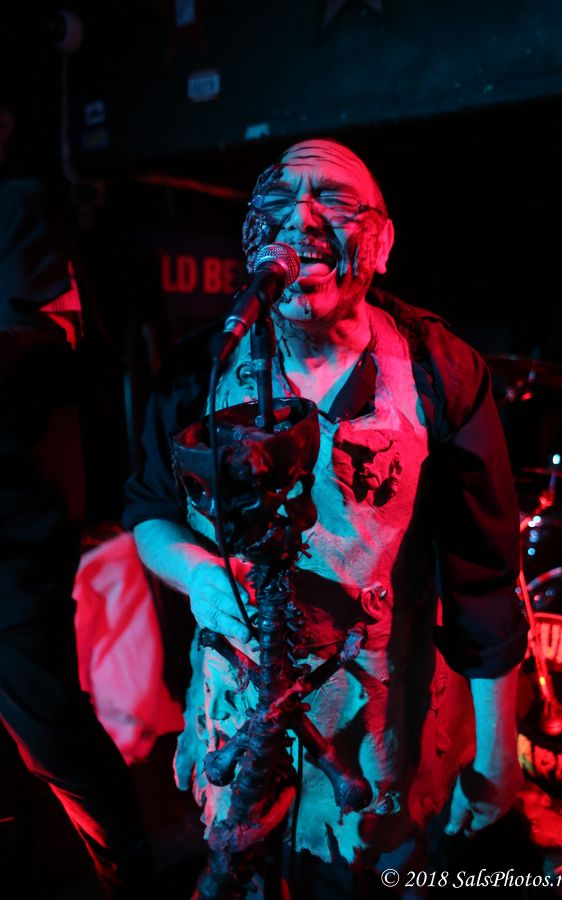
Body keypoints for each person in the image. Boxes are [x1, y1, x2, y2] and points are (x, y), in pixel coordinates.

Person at [124, 138, 529, 896]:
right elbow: (148, 512)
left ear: (383, 242)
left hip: (381, 741)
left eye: (334, 201)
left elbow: (483, 583)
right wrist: (200, 577)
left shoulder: (439, 370)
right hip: (238, 732)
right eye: (278, 203)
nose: (301, 219)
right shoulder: (197, 371)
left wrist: (498, 751)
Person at [0, 104, 153, 898]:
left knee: (47, 727)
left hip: (14, 528)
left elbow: (53, 342)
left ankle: (131, 870)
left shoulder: (19, 204)